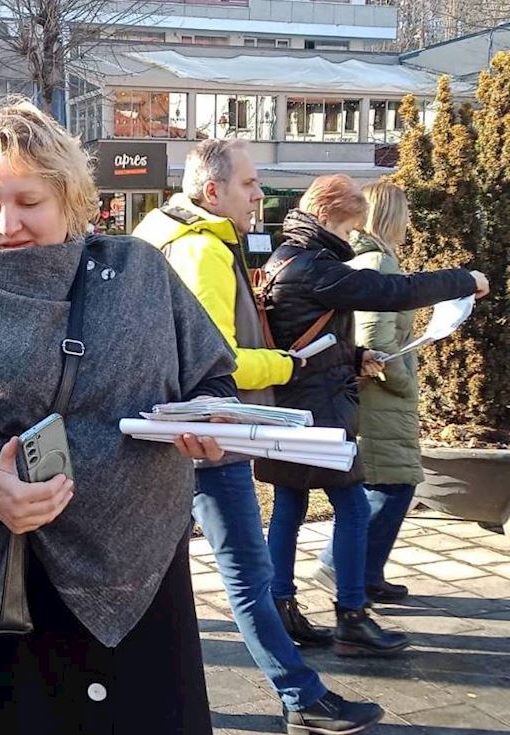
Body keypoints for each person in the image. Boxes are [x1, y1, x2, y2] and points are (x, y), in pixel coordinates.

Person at [0, 96, 237, 735]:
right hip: (14, 570)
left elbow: (210, 373)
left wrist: (209, 419)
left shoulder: (138, 271)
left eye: (28, 201)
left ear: (67, 196)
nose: (7, 224)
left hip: (144, 560)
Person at [134, 140, 384, 734]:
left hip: (164, 432)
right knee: (247, 574)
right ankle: (301, 698)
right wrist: (289, 364)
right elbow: (219, 362)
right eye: (248, 185)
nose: (258, 195)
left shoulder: (159, 236)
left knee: (159, 574)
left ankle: (138, 694)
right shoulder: (201, 250)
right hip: (208, 433)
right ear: (212, 191)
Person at [257, 174, 489, 658]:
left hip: (291, 401)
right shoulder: (315, 266)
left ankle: (281, 605)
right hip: (321, 409)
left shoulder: (286, 258)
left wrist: (355, 354)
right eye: (347, 228)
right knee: (353, 506)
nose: (350, 238)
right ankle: (352, 618)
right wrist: (464, 280)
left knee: (290, 505)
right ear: (327, 215)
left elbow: (306, 332)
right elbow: (393, 292)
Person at [316, 182, 424, 604]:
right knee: (392, 484)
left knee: (384, 483)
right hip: (383, 395)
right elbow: (377, 338)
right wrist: (404, 383)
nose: (410, 221)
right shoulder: (378, 263)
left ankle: (365, 572)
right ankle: (342, 567)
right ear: (391, 215)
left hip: (374, 393)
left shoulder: (363, 259)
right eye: (405, 212)